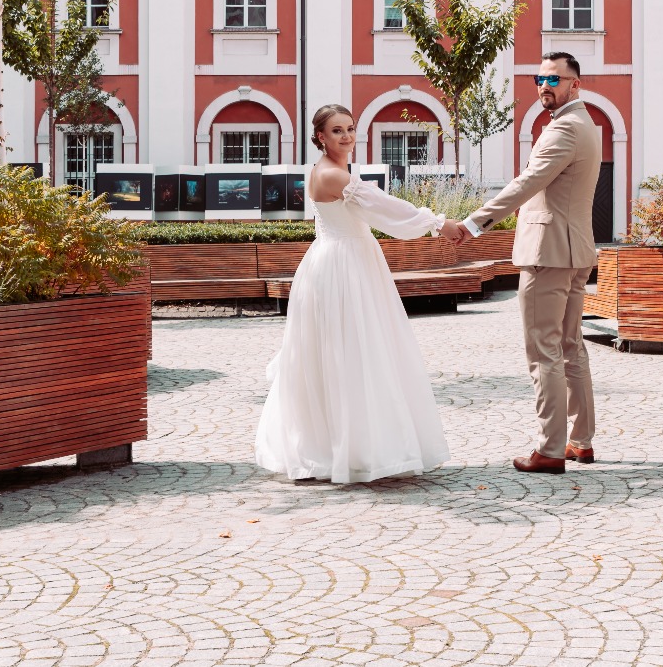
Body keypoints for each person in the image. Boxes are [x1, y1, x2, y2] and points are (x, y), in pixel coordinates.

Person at [253, 103, 451, 484]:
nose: (346, 136)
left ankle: (348, 444)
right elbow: (387, 209)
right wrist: (438, 223)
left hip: (344, 260)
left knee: (350, 350)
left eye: (350, 128)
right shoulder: (333, 176)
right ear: (320, 138)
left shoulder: (333, 171)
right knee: (351, 351)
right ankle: (351, 448)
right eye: (337, 131)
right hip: (343, 268)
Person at [443, 52, 601, 474]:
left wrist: (475, 222)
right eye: (540, 78)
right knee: (570, 347)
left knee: (544, 350)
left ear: (574, 84)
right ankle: (580, 441)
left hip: (549, 250)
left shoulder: (564, 128)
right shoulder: (586, 124)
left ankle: (550, 449)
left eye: (555, 80)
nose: (545, 86)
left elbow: (528, 182)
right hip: (572, 249)